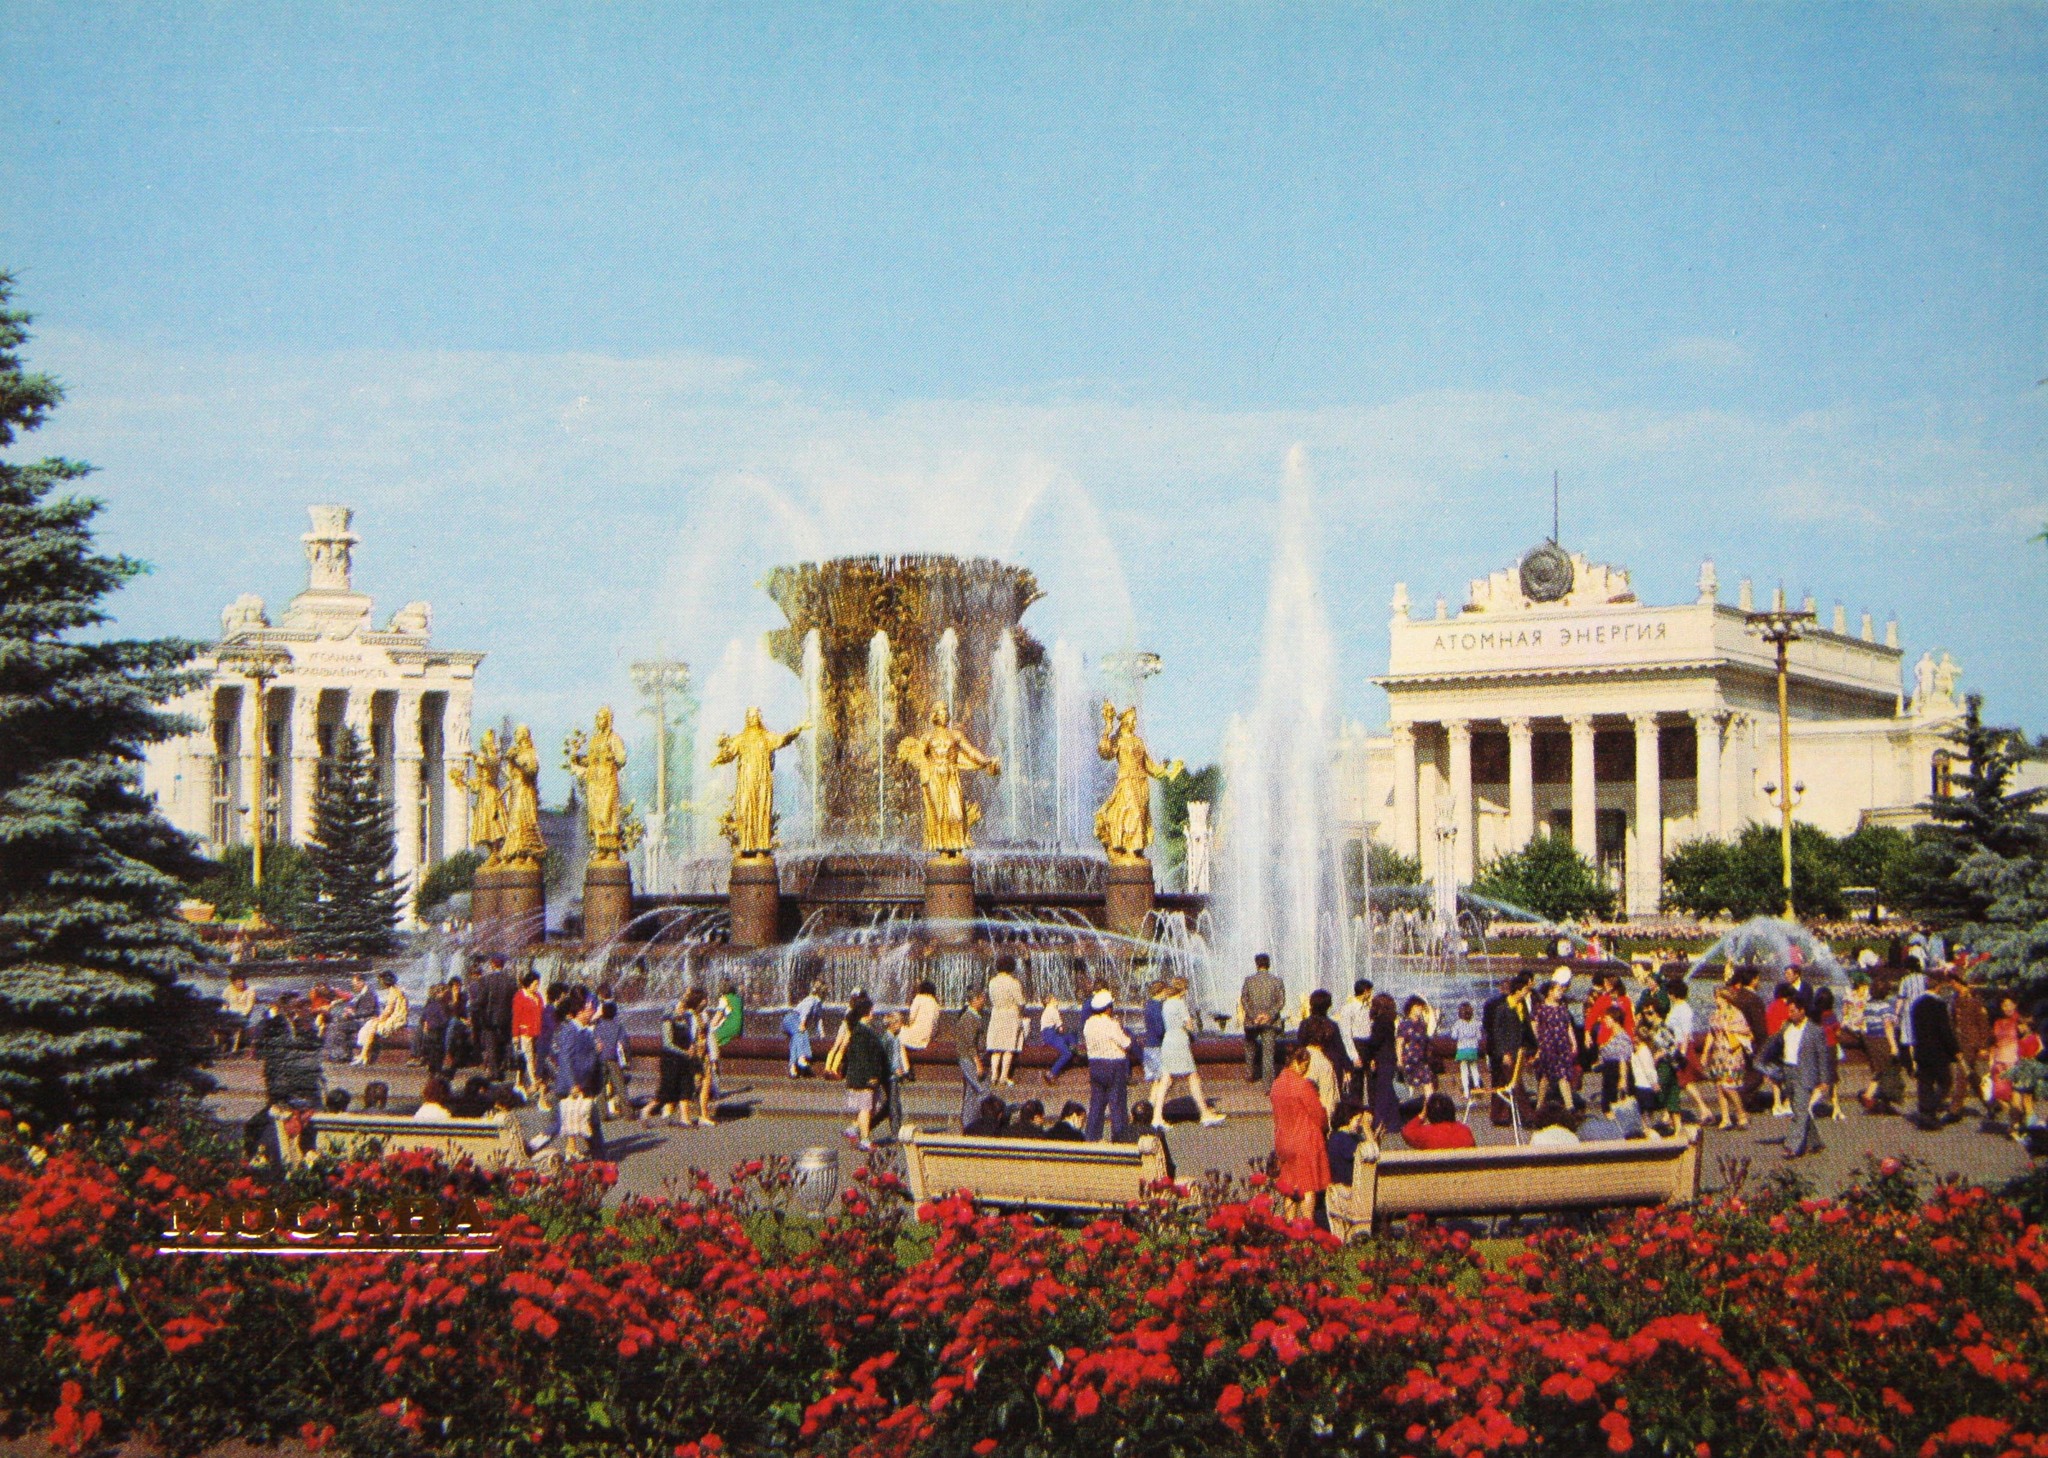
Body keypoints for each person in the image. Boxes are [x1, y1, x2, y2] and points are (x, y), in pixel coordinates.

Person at [1758, 996, 1830, 1158]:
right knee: (1800, 1108)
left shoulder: (1815, 1030)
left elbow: (1823, 1055)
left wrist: (1824, 1079)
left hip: (1805, 1073)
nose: (1789, 1014)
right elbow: (1775, 1048)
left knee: (1799, 1110)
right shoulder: (1786, 1027)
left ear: (1802, 1010)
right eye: (1788, 1011)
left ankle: (1792, 1146)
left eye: (1792, 1011)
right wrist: (1769, 1069)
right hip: (1788, 1071)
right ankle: (1815, 1142)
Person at [1149, 977, 1226, 1128]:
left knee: (1166, 1079)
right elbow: (1189, 1025)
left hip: (1167, 1041)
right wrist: (1191, 1030)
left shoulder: (1166, 1003)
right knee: (1193, 1077)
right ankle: (1205, 1113)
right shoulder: (1179, 1003)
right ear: (1183, 990)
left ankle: (1157, 1116)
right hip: (1179, 1041)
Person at [1269, 1042, 1331, 1223]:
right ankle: (1307, 1228)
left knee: (1289, 1187)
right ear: (1297, 1062)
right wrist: (1325, 1125)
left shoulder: (1277, 1084)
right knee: (1307, 1188)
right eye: (1305, 1065)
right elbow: (1319, 1115)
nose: (1306, 1070)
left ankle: (1288, 1225)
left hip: (1283, 1140)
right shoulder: (1302, 1086)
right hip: (1304, 1141)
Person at [550, 988, 604, 1150]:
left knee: (589, 1121)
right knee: (558, 1125)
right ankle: (532, 1147)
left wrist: (595, 1051)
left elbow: (588, 1058)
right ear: (579, 1011)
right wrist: (572, 1084)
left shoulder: (585, 1031)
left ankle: (598, 1155)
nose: (593, 1012)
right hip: (573, 1086)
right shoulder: (570, 1030)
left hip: (584, 1084)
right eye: (590, 1009)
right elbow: (565, 1059)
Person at [648, 989, 708, 1126]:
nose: (682, 1009)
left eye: (682, 1007)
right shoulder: (668, 1022)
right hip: (671, 1061)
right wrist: (685, 1052)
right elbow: (667, 1044)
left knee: (686, 1087)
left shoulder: (685, 1021)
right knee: (667, 1090)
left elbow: (690, 1038)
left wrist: (692, 1046)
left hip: (684, 1060)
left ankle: (685, 1119)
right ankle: (647, 1110)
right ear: (673, 1009)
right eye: (679, 1007)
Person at [839, 993, 890, 1152]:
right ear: (866, 1012)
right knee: (866, 1108)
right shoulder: (861, 1032)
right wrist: (872, 1077)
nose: (873, 1013)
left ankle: (854, 1129)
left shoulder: (862, 1030)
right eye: (871, 1010)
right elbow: (862, 1057)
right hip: (864, 1078)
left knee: (875, 1105)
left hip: (865, 1076)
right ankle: (865, 1140)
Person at [1908, 973, 1960, 1128]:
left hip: (1921, 1049)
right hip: (1938, 1051)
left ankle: (1925, 1113)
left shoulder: (1917, 1004)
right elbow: (1945, 1030)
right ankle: (1930, 1109)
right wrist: (1954, 1049)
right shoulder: (1939, 1005)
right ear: (1938, 987)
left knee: (1925, 1083)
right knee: (1945, 1082)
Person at [1082, 990, 1132, 1142]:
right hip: (1114, 1064)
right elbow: (1126, 1043)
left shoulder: (1088, 1024)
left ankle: (1091, 1138)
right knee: (1117, 1104)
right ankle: (1119, 1138)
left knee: (1096, 1104)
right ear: (1108, 1008)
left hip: (1095, 1065)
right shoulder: (1111, 1024)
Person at [1703, 982, 1754, 1129]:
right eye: (1715, 997)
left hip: (1732, 1052)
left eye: (1717, 997)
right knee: (1720, 1086)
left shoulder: (1735, 1013)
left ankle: (1741, 1113)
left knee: (1728, 1086)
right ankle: (1725, 1118)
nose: (1715, 1000)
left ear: (1725, 998)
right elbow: (1711, 1034)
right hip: (1718, 1053)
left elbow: (1746, 1030)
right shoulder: (1715, 1014)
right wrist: (1706, 1052)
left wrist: (1729, 1027)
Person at [1236, 954, 1287, 1086]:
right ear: (1268, 964)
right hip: (1270, 1023)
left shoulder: (1249, 980)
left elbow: (1244, 1000)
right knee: (1268, 1053)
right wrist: (1268, 1015)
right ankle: (1268, 1084)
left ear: (1256, 964)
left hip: (1252, 1022)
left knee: (1250, 1047)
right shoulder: (1277, 981)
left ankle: (1249, 1074)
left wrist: (1254, 1016)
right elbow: (1280, 1002)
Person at [1531, 976, 1579, 1112]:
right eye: (1558, 990)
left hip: (1562, 1045)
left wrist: (1573, 1042)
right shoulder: (1540, 1008)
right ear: (1550, 991)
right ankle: (1539, 1105)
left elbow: (1568, 1026)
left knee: (1563, 1075)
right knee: (1545, 1076)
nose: (1561, 992)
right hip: (1547, 1046)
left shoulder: (1562, 1008)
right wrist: (1537, 1044)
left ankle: (1570, 1106)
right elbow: (1534, 1026)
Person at [1361, 992, 1401, 1137]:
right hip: (1389, 1058)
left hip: (1383, 1059)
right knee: (1388, 1091)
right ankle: (1394, 1122)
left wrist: (1364, 1049)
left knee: (1383, 1093)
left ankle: (1382, 1122)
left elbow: (1375, 1042)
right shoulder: (1389, 1020)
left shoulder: (1380, 1022)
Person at [471, 955, 517, 1081]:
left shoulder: (485, 980)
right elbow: (515, 1000)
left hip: (489, 1018)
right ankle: (502, 1067)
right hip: (506, 1018)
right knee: (503, 1043)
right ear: (503, 965)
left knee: (491, 1045)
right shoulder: (511, 980)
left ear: (492, 965)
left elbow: (480, 1000)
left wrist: (474, 1009)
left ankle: (494, 1071)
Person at [954, 988, 992, 1132]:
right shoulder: (969, 1018)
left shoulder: (974, 1016)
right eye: (982, 998)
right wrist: (978, 1064)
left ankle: (968, 1124)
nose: (984, 1000)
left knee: (971, 1093)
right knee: (983, 1090)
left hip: (968, 1057)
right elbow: (970, 1045)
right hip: (969, 1059)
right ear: (974, 1000)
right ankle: (982, 1122)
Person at [353, 971, 409, 1066]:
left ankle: (364, 1055)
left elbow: (388, 1011)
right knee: (371, 1024)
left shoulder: (393, 992)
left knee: (372, 1026)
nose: (379, 983)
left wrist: (379, 1019)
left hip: (397, 1019)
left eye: (380, 980)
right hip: (398, 1017)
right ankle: (363, 1055)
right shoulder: (396, 989)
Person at [986, 959, 1027, 1086]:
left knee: (996, 1047)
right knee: (1008, 1048)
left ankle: (993, 1076)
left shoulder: (992, 982)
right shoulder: (1014, 983)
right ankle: (1004, 1076)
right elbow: (1020, 1002)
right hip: (1010, 1014)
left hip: (996, 1014)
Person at [1339, 980, 1376, 1101]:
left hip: (1368, 1045)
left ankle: (1372, 1109)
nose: (1371, 994)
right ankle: (1355, 1110)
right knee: (1356, 1083)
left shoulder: (1368, 1007)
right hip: (1357, 1044)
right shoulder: (1348, 1008)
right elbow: (1346, 1034)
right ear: (1365, 991)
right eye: (1370, 991)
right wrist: (1354, 1055)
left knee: (1372, 1080)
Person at [1401, 1091, 1476, 1150]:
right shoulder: (1464, 1130)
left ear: (1429, 1112)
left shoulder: (1426, 1133)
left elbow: (1407, 1131)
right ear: (1452, 1110)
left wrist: (1422, 1115)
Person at [593, 998, 630, 1117]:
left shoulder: (598, 1025)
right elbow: (623, 1042)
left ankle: (602, 1113)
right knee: (620, 1085)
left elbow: (595, 1040)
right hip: (613, 1058)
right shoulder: (618, 1025)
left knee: (600, 1087)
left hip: (600, 1058)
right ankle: (627, 1112)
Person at [900, 979, 942, 1082]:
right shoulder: (935, 1003)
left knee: (897, 1038)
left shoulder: (918, 998)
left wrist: (909, 1026)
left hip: (915, 1034)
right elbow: (935, 1024)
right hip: (926, 1037)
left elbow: (911, 1017)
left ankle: (906, 1070)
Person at [511, 970, 545, 1095]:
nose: (537, 986)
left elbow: (541, 1013)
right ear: (528, 983)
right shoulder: (520, 996)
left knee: (530, 1058)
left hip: (536, 1032)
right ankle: (534, 1082)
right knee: (528, 1058)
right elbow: (516, 1017)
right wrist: (515, 1035)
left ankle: (518, 1082)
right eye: (535, 984)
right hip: (525, 1032)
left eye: (538, 984)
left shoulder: (538, 996)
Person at [1325, 1098, 1371, 1187]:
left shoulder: (1336, 1136)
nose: (1360, 1124)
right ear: (1348, 1119)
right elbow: (1370, 1155)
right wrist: (1367, 1129)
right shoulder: (1343, 1139)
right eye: (1358, 1120)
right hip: (1347, 1187)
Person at [1396, 996, 1435, 1100]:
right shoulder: (1404, 1024)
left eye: (1421, 1007)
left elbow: (1427, 1040)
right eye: (1417, 1006)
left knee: (1428, 1083)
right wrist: (1399, 1060)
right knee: (1410, 1087)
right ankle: (1407, 1109)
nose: (1420, 1009)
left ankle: (1430, 1108)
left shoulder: (1422, 1024)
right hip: (1409, 1060)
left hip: (1421, 1060)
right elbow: (1400, 1043)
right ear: (1411, 1008)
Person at [710, 982, 744, 1096]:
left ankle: (714, 1065)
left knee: (710, 1040)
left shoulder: (724, 999)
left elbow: (718, 1016)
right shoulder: (738, 999)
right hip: (738, 1028)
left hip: (730, 1027)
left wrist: (709, 1026)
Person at [1038, 993, 1081, 1085]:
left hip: (1048, 1034)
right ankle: (1052, 1073)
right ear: (1049, 1002)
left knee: (1071, 1035)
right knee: (1067, 1053)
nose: (1056, 1000)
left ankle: (1073, 1049)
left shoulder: (1046, 1010)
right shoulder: (1053, 1010)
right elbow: (1061, 1029)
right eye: (1054, 999)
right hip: (1051, 1035)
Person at [785, 980, 823, 1079]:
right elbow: (804, 1013)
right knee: (801, 1032)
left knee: (796, 1037)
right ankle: (802, 1058)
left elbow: (818, 1020)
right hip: (791, 1018)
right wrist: (802, 1024)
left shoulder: (819, 1003)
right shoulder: (811, 1000)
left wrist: (822, 1034)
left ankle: (793, 1068)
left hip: (796, 1021)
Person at [417, 981, 452, 1080]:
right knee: (439, 1052)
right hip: (438, 1031)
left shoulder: (430, 1004)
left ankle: (432, 1070)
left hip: (430, 1031)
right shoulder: (441, 1005)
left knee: (432, 1051)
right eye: (446, 993)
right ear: (439, 993)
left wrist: (425, 1024)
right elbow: (444, 1019)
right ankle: (437, 1071)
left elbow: (423, 1017)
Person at [1140, 978, 1169, 1087]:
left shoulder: (1148, 1004)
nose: (1167, 994)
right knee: (1164, 1081)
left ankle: (1152, 1103)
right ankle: (1157, 1104)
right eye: (1166, 991)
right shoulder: (1157, 1007)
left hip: (1148, 1047)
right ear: (1161, 991)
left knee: (1156, 1082)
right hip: (1157, 1047)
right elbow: (1159, 1030)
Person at [1450, 1001, 1482, 1099]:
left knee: (1464, 1071)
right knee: (1474, 1068)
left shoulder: (1458, 1023)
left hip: (1462, 1050)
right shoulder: (1476, 1023)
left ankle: (1466, 1091)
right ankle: (1477, 1086)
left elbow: (1454, 1036)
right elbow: (1479, 1036)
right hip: (1473, 1049)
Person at [223, 972, 258, 1054]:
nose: (240, 983)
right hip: (230, 1014)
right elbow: (224, 1004)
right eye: (238, 982)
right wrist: (223, 1014)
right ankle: (221, 1047)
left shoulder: (250, 991)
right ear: (233, 983)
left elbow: (249, 1008)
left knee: (237, 1026)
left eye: (242, 981)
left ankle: (234, 1049)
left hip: (243, 1014)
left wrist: (241, 1016)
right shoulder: (228, 990)